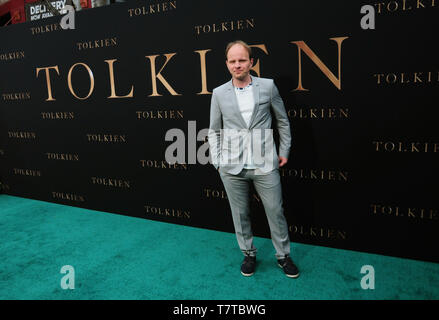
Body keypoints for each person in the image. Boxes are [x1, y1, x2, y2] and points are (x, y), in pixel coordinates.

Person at [208, 40, 299, 278]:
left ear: (251, 62)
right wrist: (217, 161)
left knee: (275, 211)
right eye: (232, 61)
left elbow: (282, 121)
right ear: (227, 64)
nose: (237, 65)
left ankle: (283, 256)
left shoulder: (268, 87)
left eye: (242, 60)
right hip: (231, 165)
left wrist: (284, 151)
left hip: (264, 162)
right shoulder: (218, 93)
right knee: (240, 214)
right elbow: (214, 130)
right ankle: (248, 254)